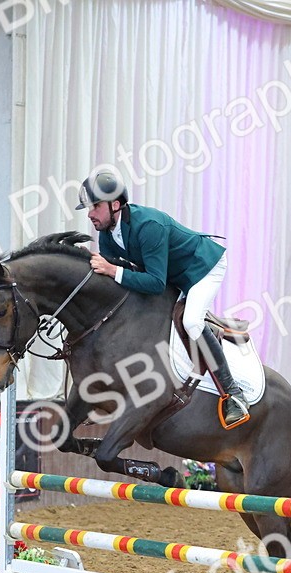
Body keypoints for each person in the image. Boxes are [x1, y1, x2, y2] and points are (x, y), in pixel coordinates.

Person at [76, 170, 250, 428]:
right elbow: (120, 279)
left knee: (191, 321)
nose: (90, 213)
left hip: (202, 267)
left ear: (115, 205)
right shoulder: (107, 233)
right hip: (171, 273)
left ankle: (234, 394)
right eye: (89, 207)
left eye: (95, 206)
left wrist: (112, 270)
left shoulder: (149, 226)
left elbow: (154, 282)